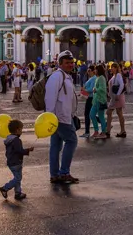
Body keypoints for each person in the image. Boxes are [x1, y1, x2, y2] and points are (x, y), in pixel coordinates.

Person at [45, 51, 79, 184]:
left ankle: (54, 174)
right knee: (72, 141)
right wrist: (50, 116)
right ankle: (64, 172)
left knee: (55, 145)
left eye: (71, 62)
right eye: (67, 63)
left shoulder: (66, 76)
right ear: (60, 64)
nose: (70, 65)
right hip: (60, 117)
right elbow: (50, 97)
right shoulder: (57, 77)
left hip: (63, 116)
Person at [0, 119, 33, 200]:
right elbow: (19, 151)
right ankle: (5, 188)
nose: (21, 131)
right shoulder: (16, 140)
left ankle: (18, 193)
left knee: (17, 177)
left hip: (11, 161)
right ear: (17, 130)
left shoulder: (9, 139)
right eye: (21, 129)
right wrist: (28, 150)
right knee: (18, 178)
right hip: (16, 162)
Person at [105, 62, 127, 138]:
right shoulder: (114, 76)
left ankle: (121, 131)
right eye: (111, 67)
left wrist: (117, 94)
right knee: (112, 112)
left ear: (116, 68)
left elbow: (121, 85)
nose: (111, 68)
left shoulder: (118, 75)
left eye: (113, 67)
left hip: (118, 97)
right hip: (114, 97)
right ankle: (109, 130)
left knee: (116, 112)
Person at [90, 65, 108, 140]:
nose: (95, 71)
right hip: (96, 99)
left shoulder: (101, 78)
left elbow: (103, 88)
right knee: (92, 114)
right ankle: (97, 130)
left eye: (96, 69)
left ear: (99, 70)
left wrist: (95, 89)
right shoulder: (98, 77)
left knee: (100, 116)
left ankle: (103, 132)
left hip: (100, 100)